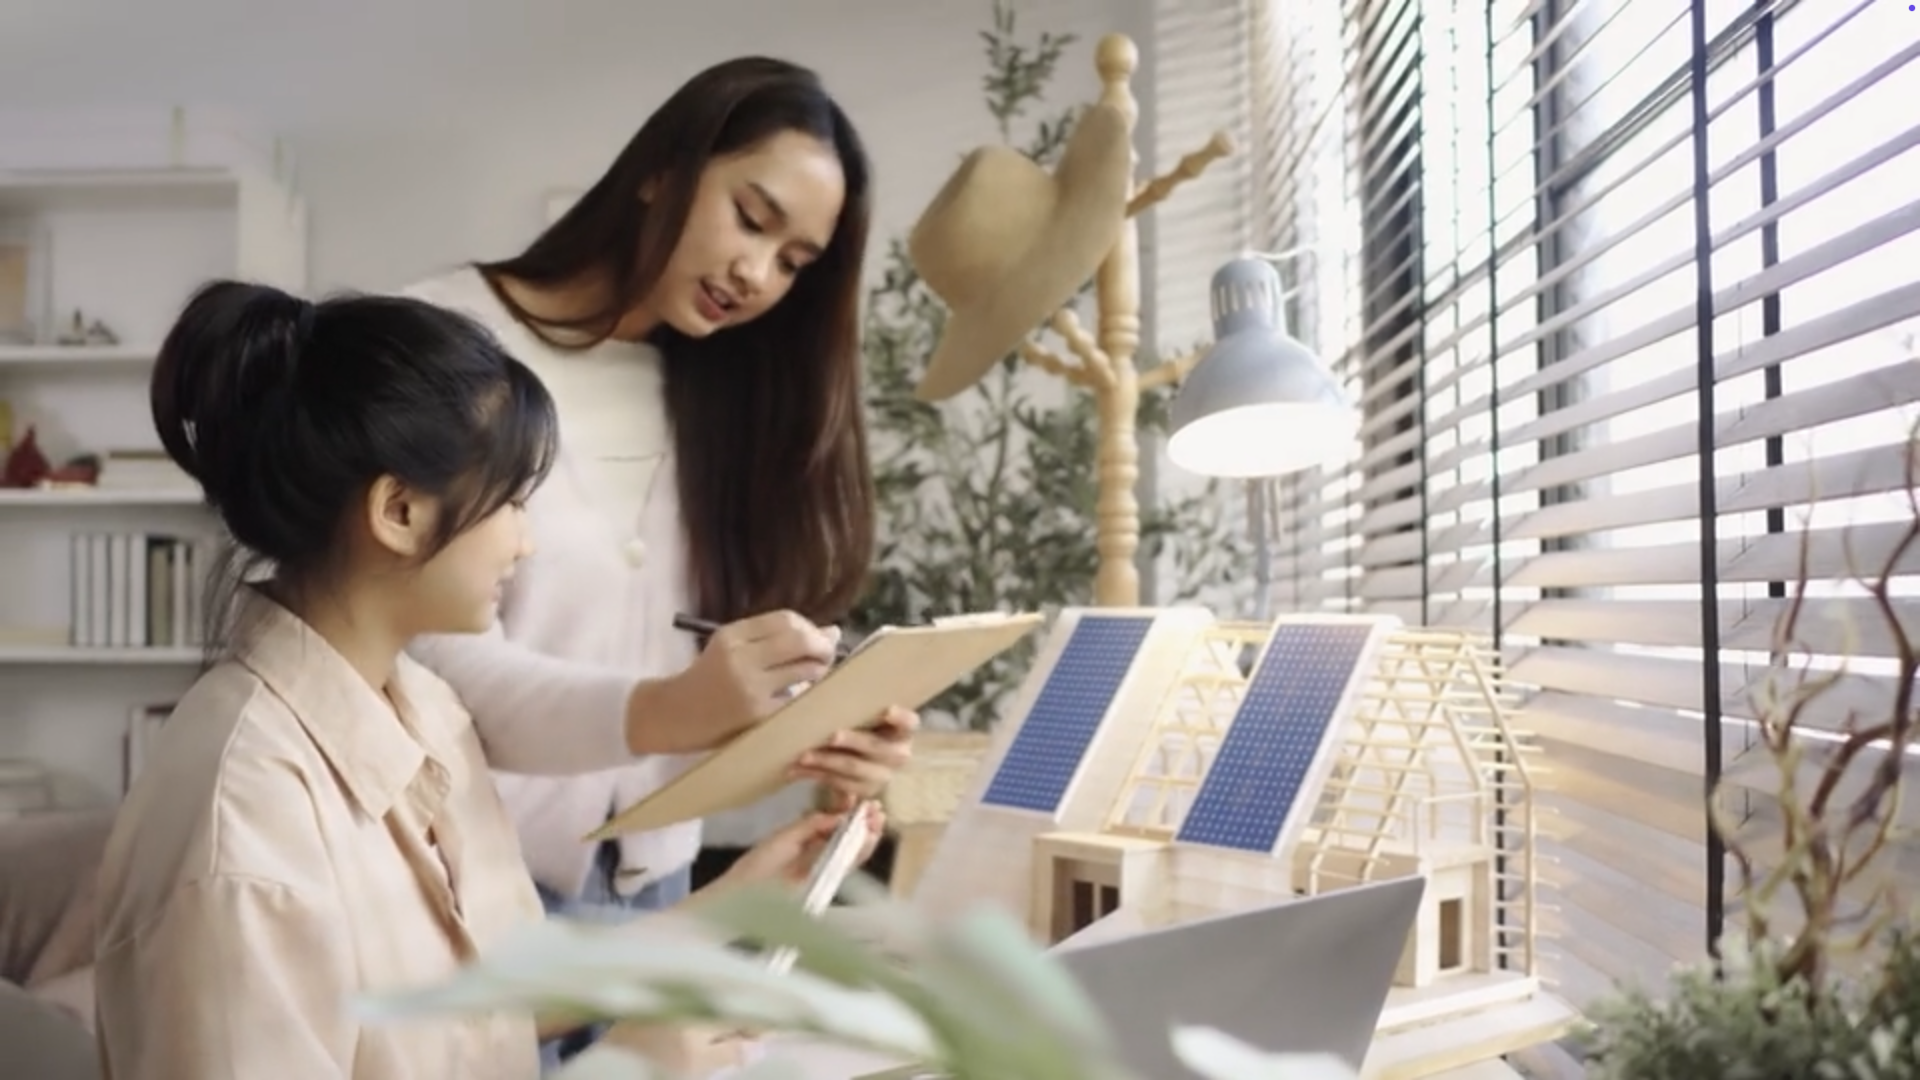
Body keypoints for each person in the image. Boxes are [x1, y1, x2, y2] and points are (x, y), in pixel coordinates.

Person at [92, 280, 884, 1080]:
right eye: (512, 502)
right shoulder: (246, 820)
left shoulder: (426, 712)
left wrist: (742, 900)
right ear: (399, 511)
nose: (527, 544)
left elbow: (496, 997)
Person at [400, 54, 915, 1062]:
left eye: (796, 261)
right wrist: (673, 707)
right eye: (752, 217)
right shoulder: (448, 340)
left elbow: (690, 714)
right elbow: (424, 661)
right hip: (478, 903)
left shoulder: (728, 401)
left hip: (666, 893)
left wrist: (815, 736)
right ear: (662, 169)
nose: (758, 275)